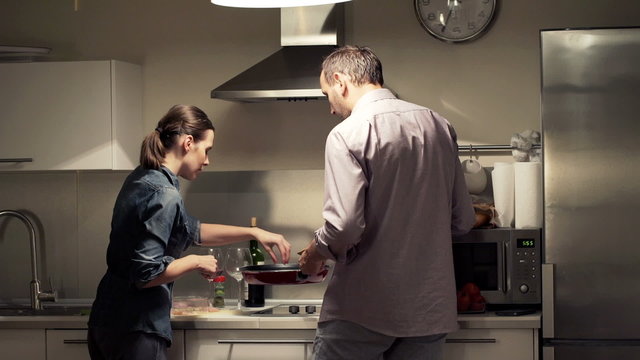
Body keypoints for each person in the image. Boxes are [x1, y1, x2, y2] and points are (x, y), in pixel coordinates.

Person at [298, 46, 475, 360]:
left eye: (327, 95)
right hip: (428, 310)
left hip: (363, 309)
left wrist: (316, 251)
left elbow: (345, 226)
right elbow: (463, 220)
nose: (330, 107)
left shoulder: (347, 133)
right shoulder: (440, 125)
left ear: (340, 81)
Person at [88, 104, 291, 360]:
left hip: (108, 322)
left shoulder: (144, 177)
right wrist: (196, 261)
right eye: (206, 150)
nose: (207, 160)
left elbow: (192, 230)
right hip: (135, 329)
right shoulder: (164, 193)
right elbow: (146, 275)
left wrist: (254, 233)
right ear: (188, 142)